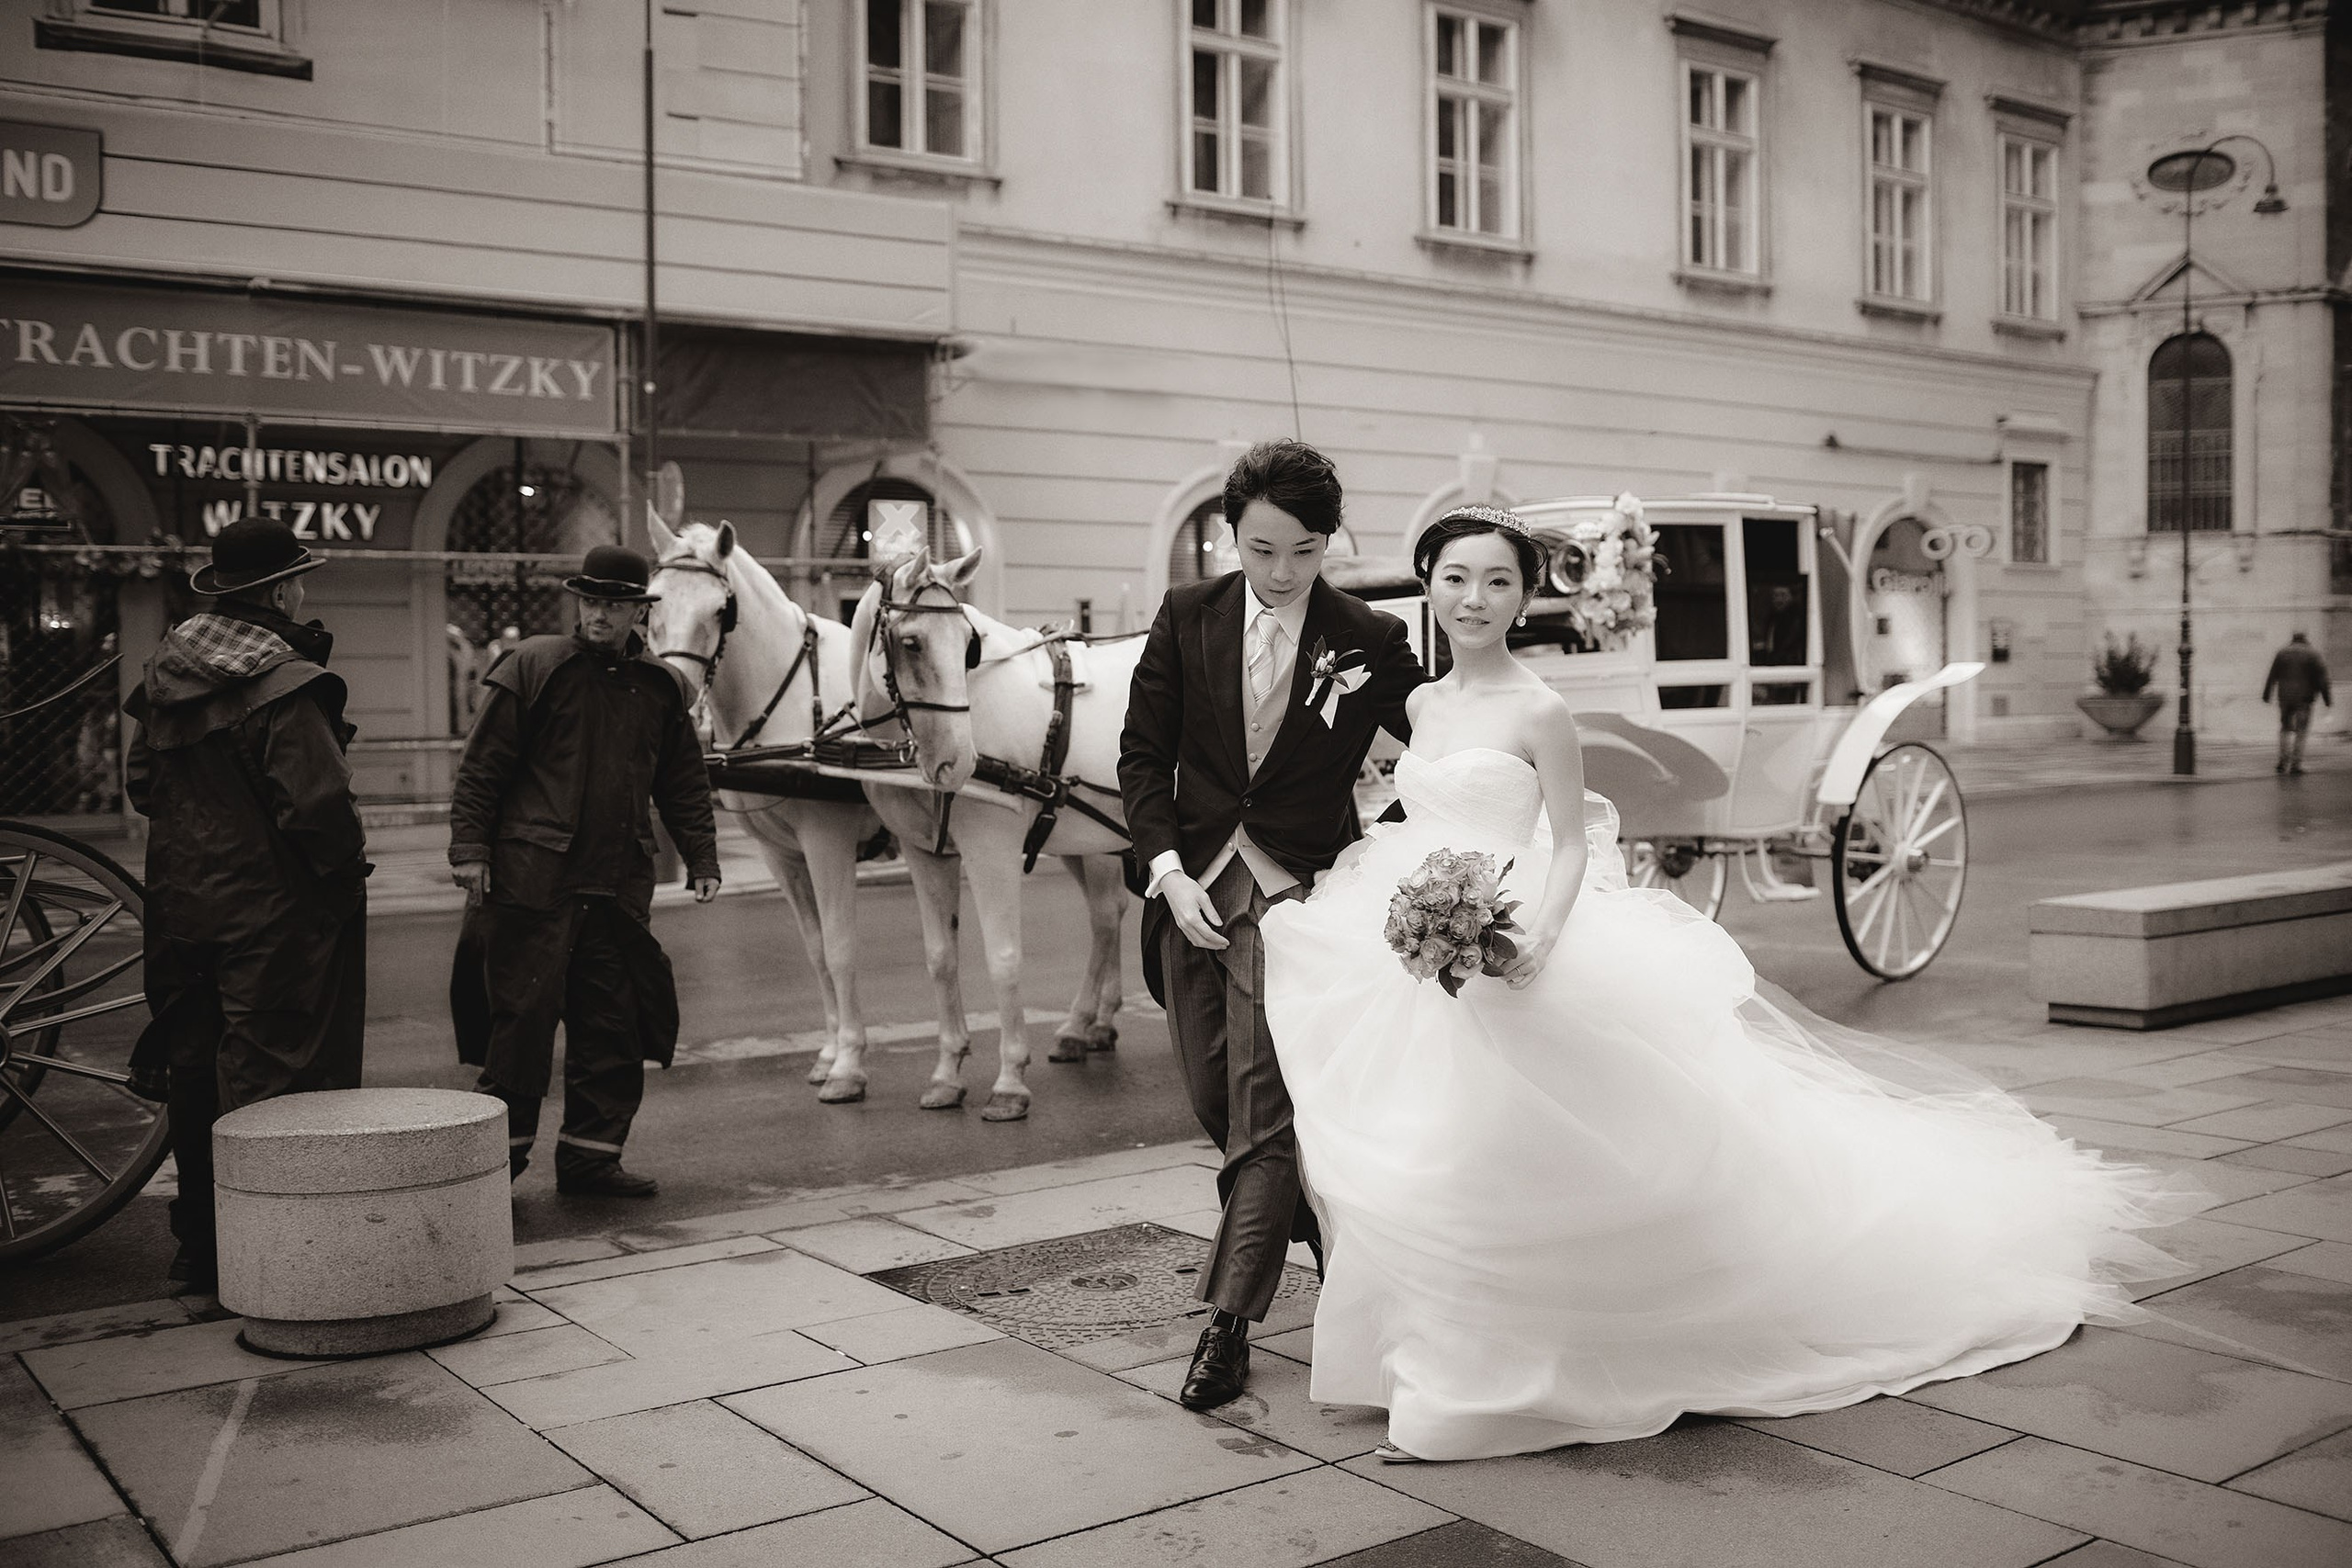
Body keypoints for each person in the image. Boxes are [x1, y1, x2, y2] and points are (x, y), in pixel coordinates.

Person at [1260, 504, 2200, 1462]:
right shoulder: (1419, 707)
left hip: (1513, 944)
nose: (1474, 598)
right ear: (1429, 582)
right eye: (1456, 577)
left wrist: (1531, 938)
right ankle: (1432, 1355)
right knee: (1427, 1153)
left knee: (1499, 1156)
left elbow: (1576, 839)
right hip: (1428, 951)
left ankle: (1477, 1382)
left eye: (1497, 580)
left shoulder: (1539, 710)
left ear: (1524, 597)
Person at [1118, 439, 1425, 1412]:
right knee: (1217, 1103)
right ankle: (1334, 1247)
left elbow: (1442, 745)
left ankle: (1228, 1325)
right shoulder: (1184, 617)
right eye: (1261, 551)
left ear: (1325, 542)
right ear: (1230, 538)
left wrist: (1398, 852)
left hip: (1296, 905)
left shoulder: (1368, 639)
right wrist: (1166, 874)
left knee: (1259, 1120)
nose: (1283, 573)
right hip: (1189, 896)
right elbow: (1140, 759)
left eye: (1302, 551)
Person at [124, 518, 369, 1294]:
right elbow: (319, 805)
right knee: (273, 1083)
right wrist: (341, 873)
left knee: (195, 1077)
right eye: (300, 580)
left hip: (179, 909)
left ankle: (200, 1245)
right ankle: (275, 1255)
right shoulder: (283, 683)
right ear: (278, 591)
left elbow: (141, 787)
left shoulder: (166, 676)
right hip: (272, 917)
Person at [448, 544, 720, 1198]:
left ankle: (591, 1158)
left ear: (638, 612)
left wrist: (703, 856)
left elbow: (682, 781)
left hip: (618, 888)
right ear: (579, 604)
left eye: (614, 603)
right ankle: (497, 1169)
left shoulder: (660, 686)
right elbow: (483, 768)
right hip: (532, 883)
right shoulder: (534, 666)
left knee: (612, 1025)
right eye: (591, 601)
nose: (600, 614)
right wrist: (470, 850)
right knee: (521, 1026)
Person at [2262, 631, 2331, 775]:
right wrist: (2327, 698)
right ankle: (2295, 764)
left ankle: (2282, 761)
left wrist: (2267, 694)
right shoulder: (2313, 654)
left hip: (2285, 698)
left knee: (2285, 728)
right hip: (2304, 699)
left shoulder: (2282, 653)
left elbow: (2272, 674)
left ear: (2292, 640)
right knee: (2301, 730)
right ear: (2305, 640)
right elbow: (2322, 678)